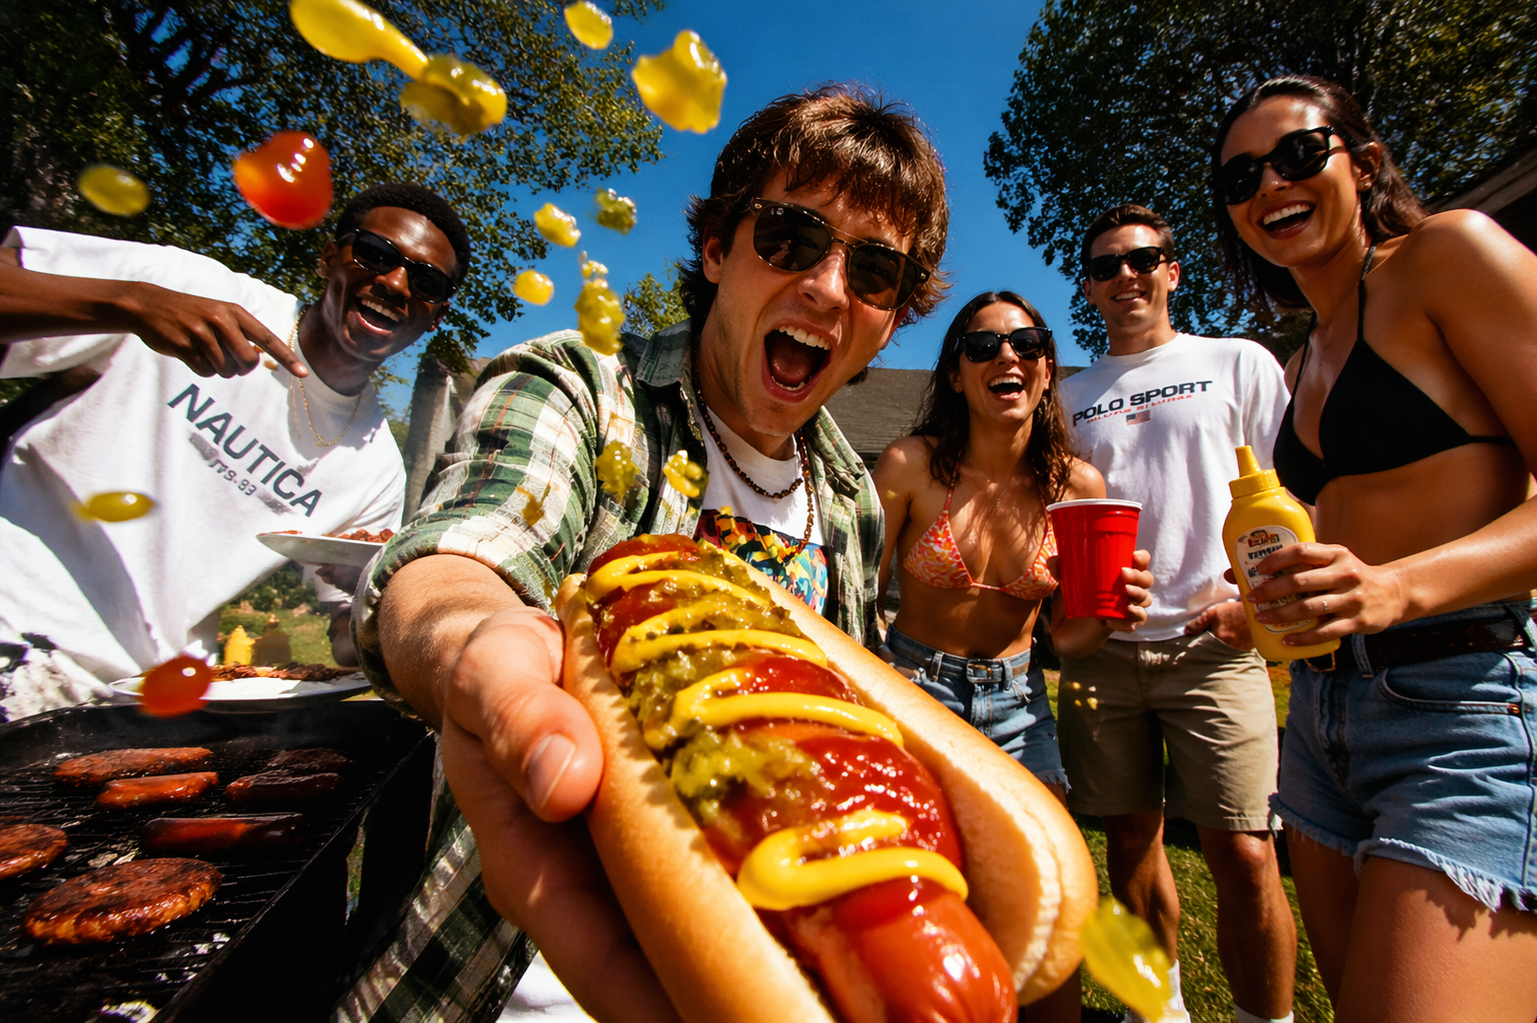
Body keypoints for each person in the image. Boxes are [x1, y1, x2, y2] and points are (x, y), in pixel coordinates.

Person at [334, 86, 950, 1023]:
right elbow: (467, 550)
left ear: (894, 315)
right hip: (498, 973)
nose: (828, 287)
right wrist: (471, 642)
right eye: (789, 238)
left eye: (874, 271)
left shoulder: (854, 498)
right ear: (715, 248)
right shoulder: (581, 388)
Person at [1212, 75, 1537, 1020]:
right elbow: (1350, 537)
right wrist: (1262, 608)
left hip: (1461, 706)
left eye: (1298, 155)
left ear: (1363, 161)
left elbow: (1392, 568)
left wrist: (1395, 589)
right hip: (1320, 716)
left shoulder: (1448, 257)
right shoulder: (1299, 356)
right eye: (1240, 178)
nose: (1269, 184)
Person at [0, 182, 469, 719]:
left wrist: (388, 609)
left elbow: (344, 636)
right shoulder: (185, 287)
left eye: (426, 281)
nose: (393, 282)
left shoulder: (376, 469)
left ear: (434, 317)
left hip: (153, 705)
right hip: (12, 637)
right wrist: (129, 305)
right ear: (327, 259)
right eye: (375, 254)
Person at [872, 289, 1153, 1022]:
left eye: (1027, 344)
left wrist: (1112, 613)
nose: (1007, 356)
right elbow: (855, 596)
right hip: (913, 690)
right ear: (956, 374)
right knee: (919, 896)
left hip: (1019, 703)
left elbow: (1067, 638)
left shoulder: (1075, 489)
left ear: (1047, 369)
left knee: (1051, 899)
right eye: (982, 345)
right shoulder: (909, 466)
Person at [1057, 204, 1297, 1023]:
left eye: (1142, 259)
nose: (1125, 275)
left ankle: (1265, 1017)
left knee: (1241, 847)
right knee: (1129, 838)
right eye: (1105, 265)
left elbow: (1291, 495)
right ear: (1087, 288)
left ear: (1172, 271)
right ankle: (1155, 1010)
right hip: (1103, 650)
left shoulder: (1237, 362)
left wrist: (1255, 611)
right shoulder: (1068, 396)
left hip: (1212, 643)